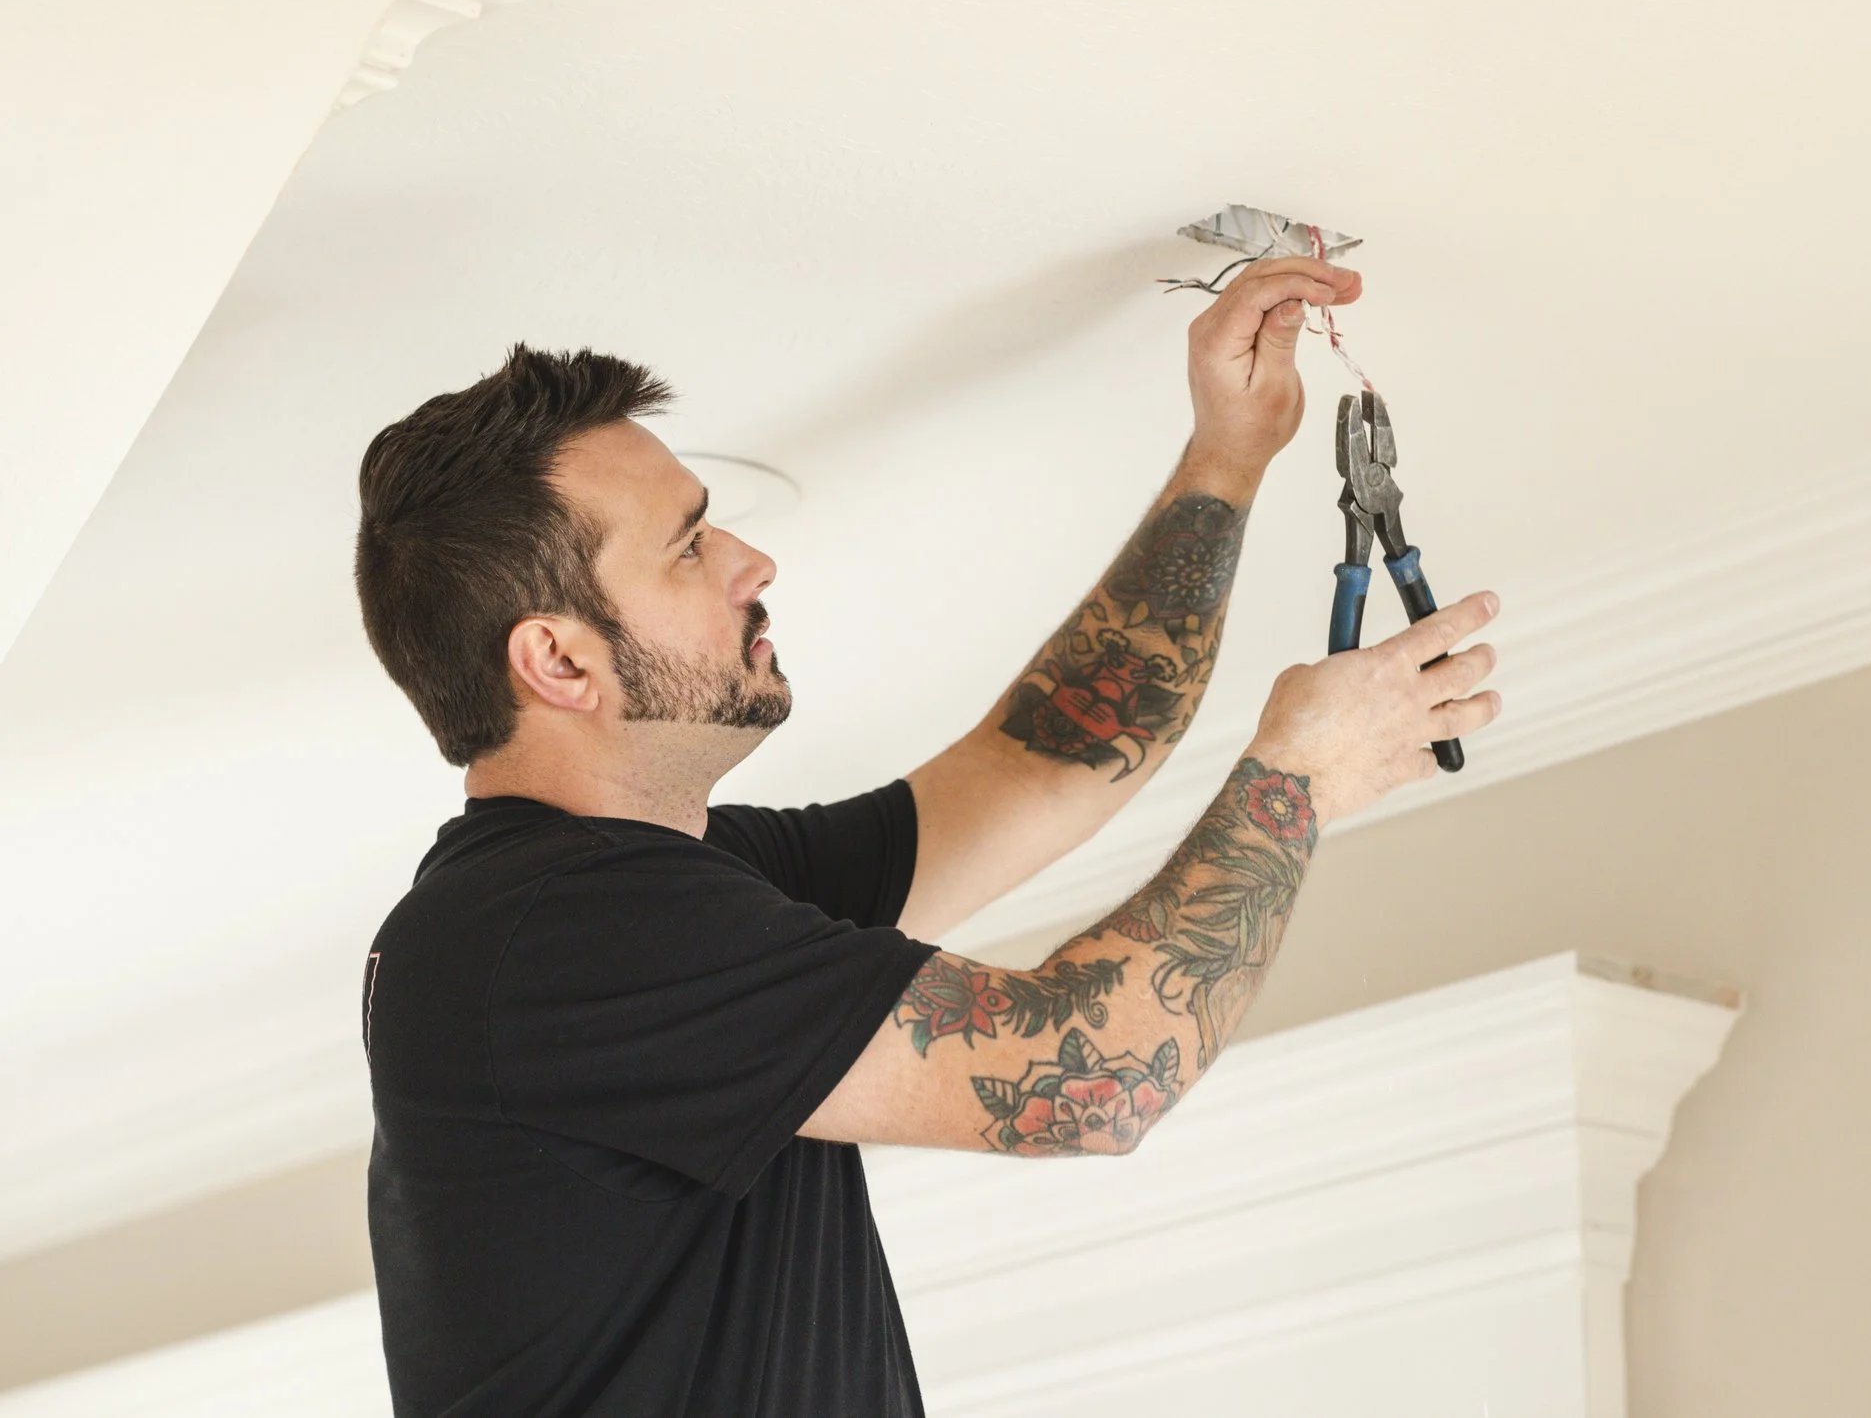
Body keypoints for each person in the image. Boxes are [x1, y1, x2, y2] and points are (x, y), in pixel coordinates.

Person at [352, 255, 1502, 1416]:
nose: (752, 562)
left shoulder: (673, 894)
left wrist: (1227, 457)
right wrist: (1295, 779)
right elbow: (1094, 1080)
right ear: (558, 660)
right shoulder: (555, 937)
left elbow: (1049, 755)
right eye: (689, 546)